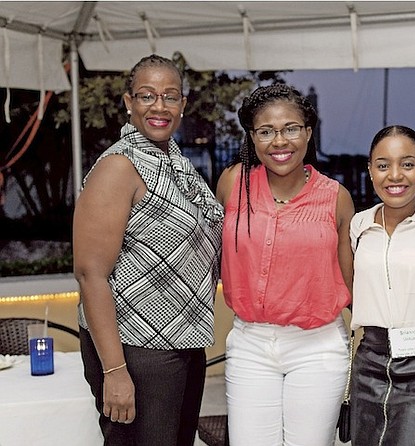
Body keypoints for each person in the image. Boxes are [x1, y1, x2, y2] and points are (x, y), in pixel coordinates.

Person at [72, 54, 224, 445]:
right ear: (128, 102)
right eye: (147, 95)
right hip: (134, 351)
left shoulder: (173, 161)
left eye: (170, 96)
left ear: (182, 105)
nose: (159, 106)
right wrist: (114, 370)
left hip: (181, 343)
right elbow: (91, 274)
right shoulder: (119, 167)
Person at [216, 83, 355, 446]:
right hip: (249, 343)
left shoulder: (336, 198)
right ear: (252, 136)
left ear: (308, 133)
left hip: (317, 347)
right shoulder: (233, 184)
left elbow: (353, 282)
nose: (280, 141)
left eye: (291, 128)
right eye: (266, 131)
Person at [348, 125, 415, 446]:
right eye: (383, 165)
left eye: (407, 164)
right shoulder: (360, 225)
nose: (395, 175)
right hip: (370, 359)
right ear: (370, 170)